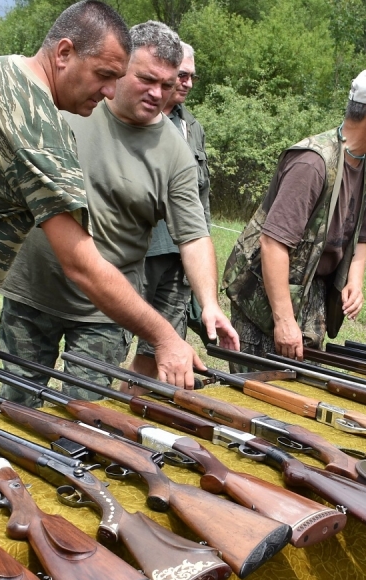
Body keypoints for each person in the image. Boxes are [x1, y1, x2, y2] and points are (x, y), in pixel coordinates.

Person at [0, 1, 211, 414]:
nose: (109, 90)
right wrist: (165, 337)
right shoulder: (40, 124)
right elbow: (81, 264)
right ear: (64, 53)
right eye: (105, 75)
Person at [223, 66, 366, 366]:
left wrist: (354, 280)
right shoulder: (312, 163)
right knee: (255, 390)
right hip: (264, 296)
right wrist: (284, 320)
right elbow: (273, 244)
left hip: (310, 294)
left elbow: (361, 238)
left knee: (301, 387)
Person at [128, 41, 210, 380]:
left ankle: (140, 405)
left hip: (179, 256)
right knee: (114, 338)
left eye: (192, 76)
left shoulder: (192, 127)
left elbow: (200, 194)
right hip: (139, 253)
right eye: (181, 75)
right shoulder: (133, 116)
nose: (187, 83)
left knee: (160, 346)